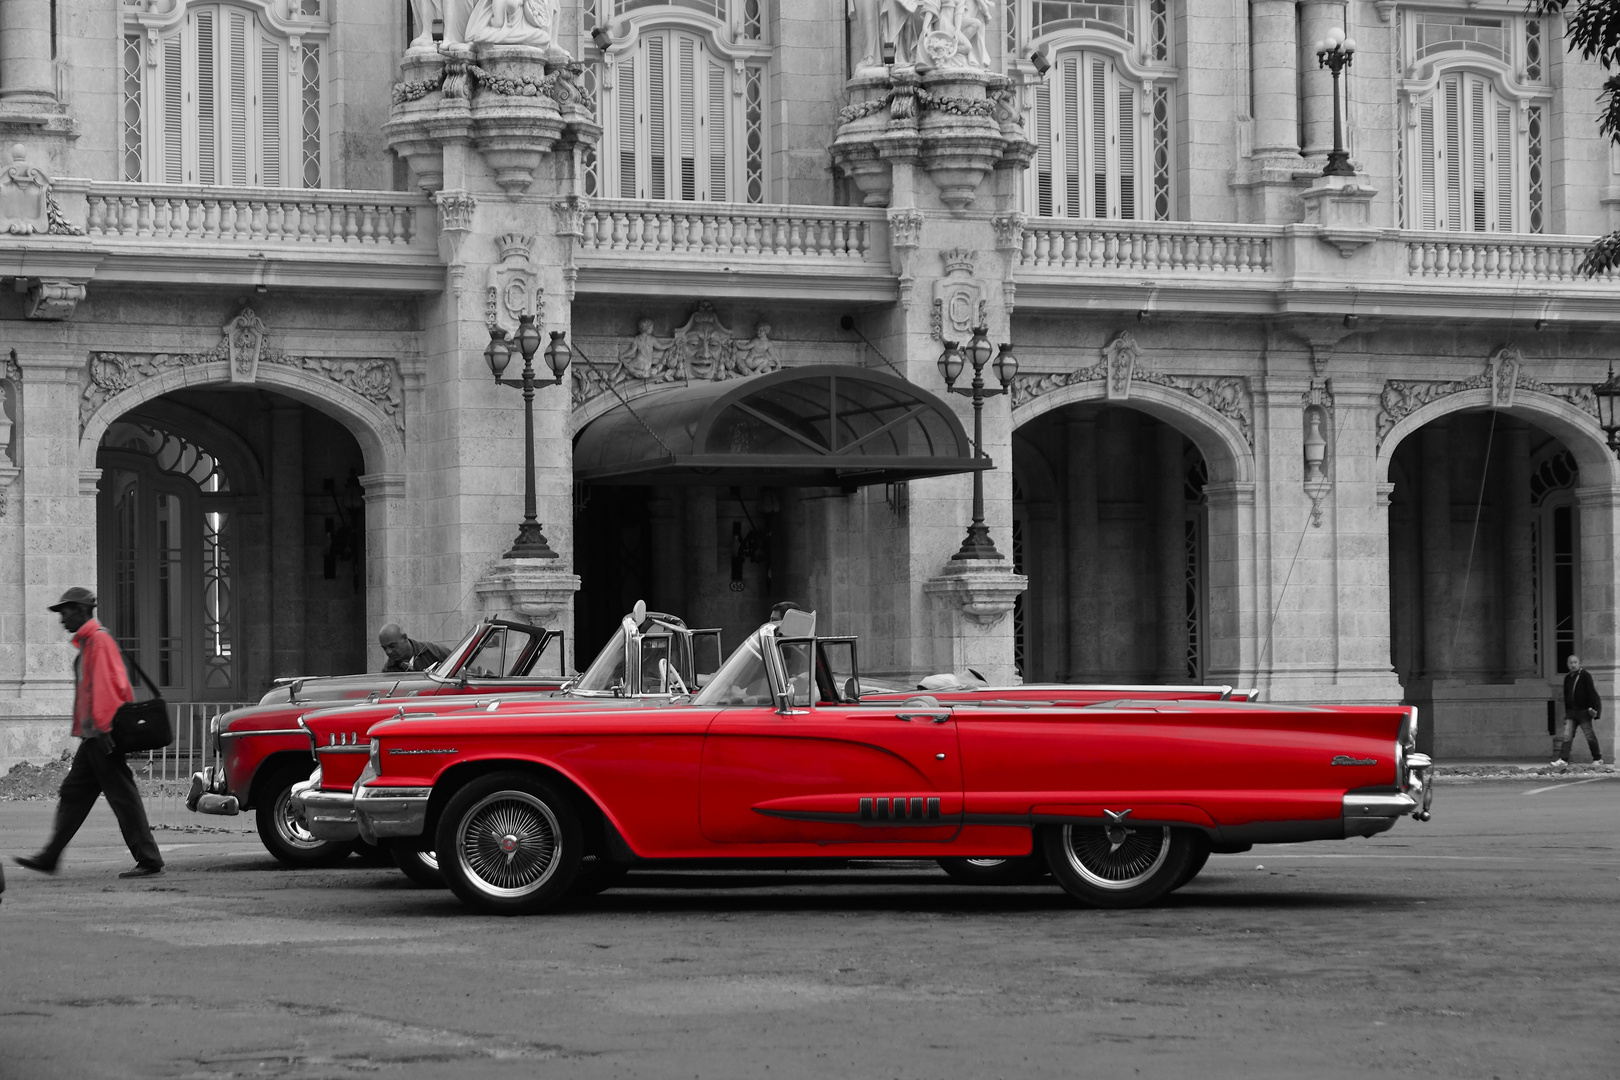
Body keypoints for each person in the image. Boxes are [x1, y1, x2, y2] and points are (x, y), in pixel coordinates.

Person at [13, 587, 164, 879]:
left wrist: (105, 731)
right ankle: (50, 855)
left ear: (82, 611)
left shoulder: (98, 641)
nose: (61, 619)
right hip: (93, 736)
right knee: (74, 794)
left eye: (65, 611)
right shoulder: (90, 643)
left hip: (101, 736)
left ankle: (149, 858)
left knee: (123, 797)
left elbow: (107, 690)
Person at [1553, 653, 1604, 766]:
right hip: (1571, 711)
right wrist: (1567, 711)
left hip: (1583, 710)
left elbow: (1591, 693)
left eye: (1575, 662)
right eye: (1571, 663)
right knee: (1567, 735)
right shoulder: (1567, 678)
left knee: (1589, 735)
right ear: (1567, 664)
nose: (1573, 665)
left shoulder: (1585, 676)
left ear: (1579, 663)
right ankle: (1563, 759)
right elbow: (1567, 696)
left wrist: (1593, 708)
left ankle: (1597, 758)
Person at [378, 623, 451, 672]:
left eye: (392, 646)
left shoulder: (434, 651)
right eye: (384, 648)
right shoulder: (388, 670)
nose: (388, 652)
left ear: (405, 638)